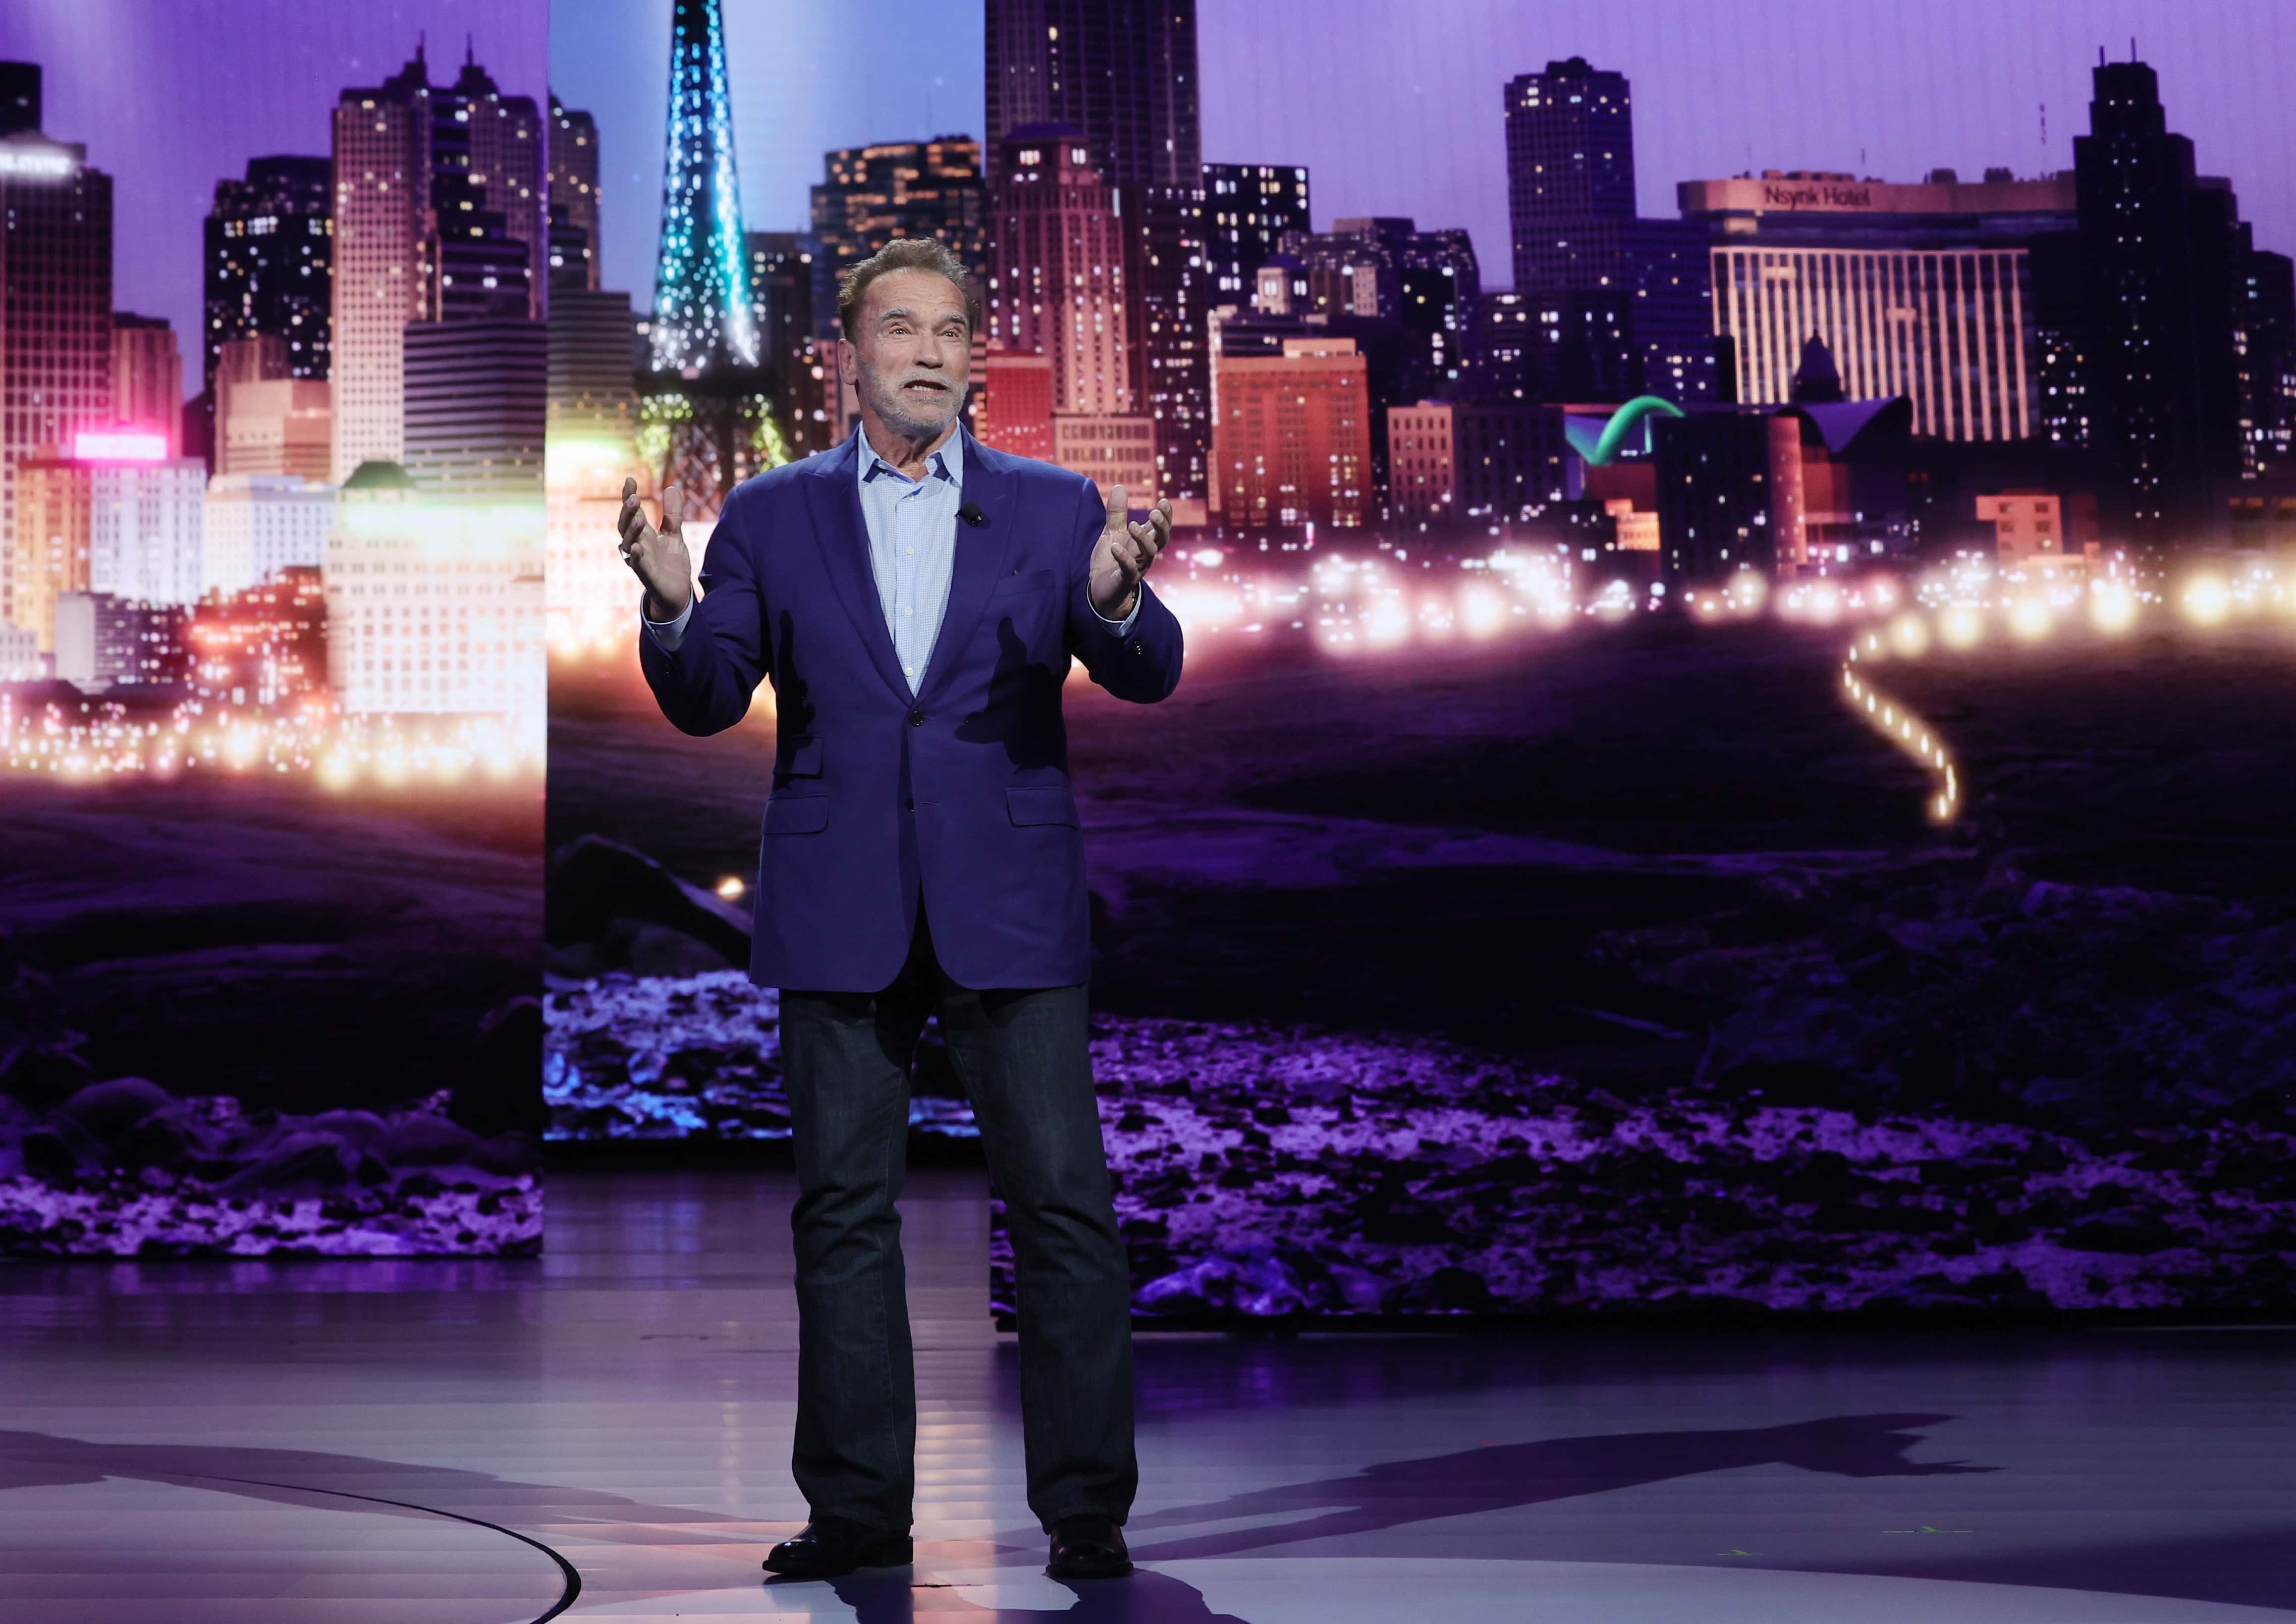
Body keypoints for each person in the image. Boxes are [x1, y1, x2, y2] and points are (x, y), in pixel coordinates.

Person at [615, 237, 1183, 1583]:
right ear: (848, 356)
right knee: (843, 1215)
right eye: (896, 327)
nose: (926, 351)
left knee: (1060, 1208)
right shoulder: (770, 510)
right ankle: (860, 1514)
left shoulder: (1054, 508)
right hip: (838, 902)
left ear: (975, 358)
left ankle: (1086, 1510)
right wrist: (667, 606)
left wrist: (1112, 600)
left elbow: (1149, 667)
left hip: (1011, 898)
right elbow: (708, 696)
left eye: (948, 330)